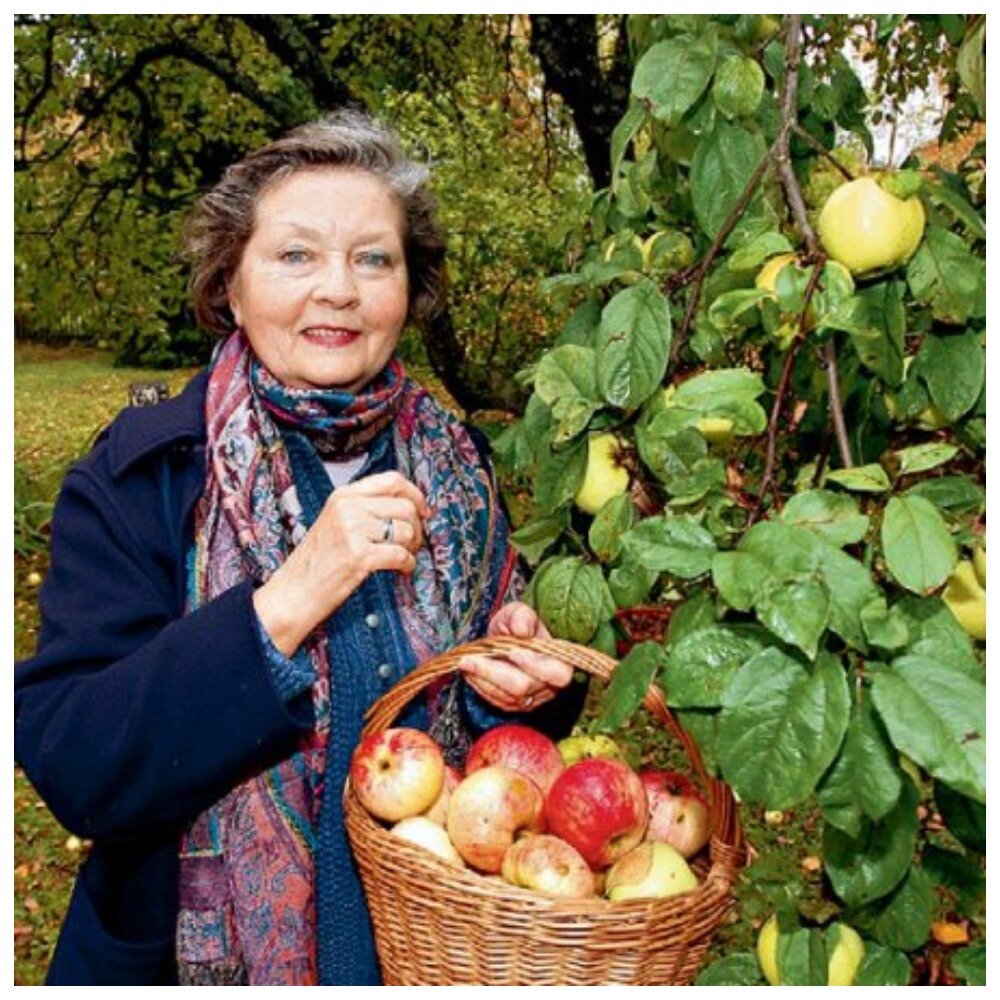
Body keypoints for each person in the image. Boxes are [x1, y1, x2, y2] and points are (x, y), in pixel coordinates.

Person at [14, 109, 586, 986]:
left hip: (432, 950)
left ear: (409, 288)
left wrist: (514, 689)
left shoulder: (457, 468)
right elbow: (75, 759)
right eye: (295, 255)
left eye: (373, 258)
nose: (340, 290)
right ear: (230, 287)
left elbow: (500, 750)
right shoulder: (147, 476)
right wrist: (287, 602)